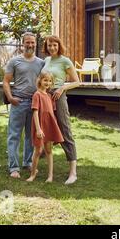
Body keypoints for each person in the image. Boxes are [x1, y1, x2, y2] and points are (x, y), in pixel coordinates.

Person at [3, 32, 45, 179]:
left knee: (30, 136)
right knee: (14, 135)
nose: (30, 45)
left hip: (34, 104)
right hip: (18, 102)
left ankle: (27, 163)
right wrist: (10, 98)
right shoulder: (14, 61)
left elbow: (46, 82)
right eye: (27, 42)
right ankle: (13, 167)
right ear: (22, 44)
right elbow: (6, 81)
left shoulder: (41, 63)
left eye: (33, 42)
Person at [42, 36, 80, 185]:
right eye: (49, 45)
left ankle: (73, 172)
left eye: (54, 45)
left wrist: (63, 87)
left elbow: (77, 82)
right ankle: (44, 164)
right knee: (47, 128)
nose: (52, 48)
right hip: (46, 96)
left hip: (59, 96)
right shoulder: (46, 61)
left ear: (59, 46)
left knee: (65, 130)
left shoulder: (65, 61)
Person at [27, 72, 64, 183]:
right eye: (45, 80)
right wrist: (38, 129)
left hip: (49, 125)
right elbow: (35, 112)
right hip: (40, 126)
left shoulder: (49, 96)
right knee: (38, 151)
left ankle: (50, 176)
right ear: (40, 81)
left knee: (49, 150)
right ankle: (33, 174)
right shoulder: (37, 95)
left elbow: (51, 112)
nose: (47, 83)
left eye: (49, 81)